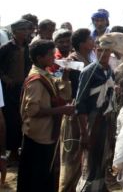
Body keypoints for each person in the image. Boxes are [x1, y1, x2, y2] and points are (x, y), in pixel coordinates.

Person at [17, 39, 74, 192]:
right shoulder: (36, 81)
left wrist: (66, 75)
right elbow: (33, 111)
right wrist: (61, 110)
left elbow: (62, 93)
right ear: (39, 58)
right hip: (39, 135)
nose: (54, 57)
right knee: (37, 177)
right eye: (50, 55)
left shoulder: (46, 74)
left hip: (47, 134)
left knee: (46, 176)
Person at [75, 46, 116, 192]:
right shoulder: (89, 71)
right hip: (93, 121)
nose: (103, 54)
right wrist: (83, 133)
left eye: (106, 50)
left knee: (103, 156)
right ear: (95, 51)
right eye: (100, 50)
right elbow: (80, 103)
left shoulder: (109, 70)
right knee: (91, 159)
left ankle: (100, 187)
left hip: (106, 119)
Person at [58, 28, 94, 192]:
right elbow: (67, 89)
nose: (93, 41)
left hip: (87, 110)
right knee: (73, 151)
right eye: (90, 39)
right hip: (76, 111)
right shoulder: (72, 61)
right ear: (82, 44)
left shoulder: (89, 58)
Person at [0, 19, 34, 163]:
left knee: (23, 118)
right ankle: (12, 152)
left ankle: (20, 150)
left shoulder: (29, 47)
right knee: (12, 121)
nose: (26, 33)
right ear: (15, 32)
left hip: (24, 87)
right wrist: (5, 77)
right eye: (23, 30)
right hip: (9, 90)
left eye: (27, 30)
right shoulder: (6, 48)